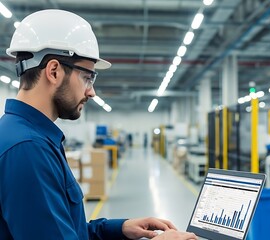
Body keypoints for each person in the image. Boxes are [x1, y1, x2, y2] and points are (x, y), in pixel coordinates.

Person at [0, 9, 197, 240]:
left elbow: (66, 231)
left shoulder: (25, 136)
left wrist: (119, 228)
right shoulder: (28, 149)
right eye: (87, 77)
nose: (91, 91)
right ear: (54, 71)